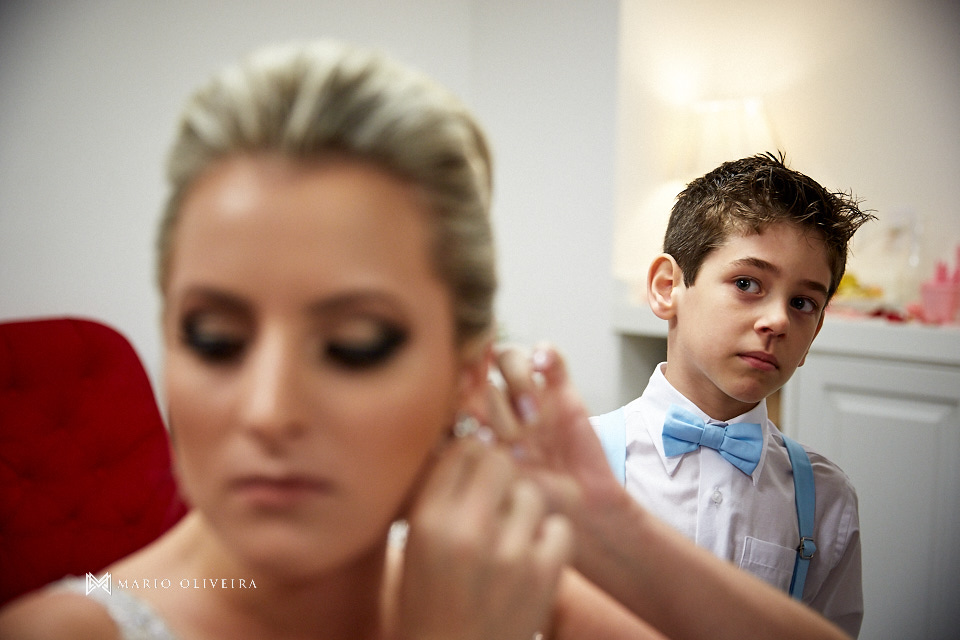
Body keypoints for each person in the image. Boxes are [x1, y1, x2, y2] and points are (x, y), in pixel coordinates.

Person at [0, 40, 853, 640]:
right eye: (214, 337)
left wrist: (602, 519)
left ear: (465, 371)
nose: (266, 412)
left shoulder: (497, 581)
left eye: (357, 343)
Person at [584, 153, 874, 636]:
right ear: (666, 287)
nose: (778, 320)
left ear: (817, 329)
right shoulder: (579, 464)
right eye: (747, 283)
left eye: (802, 303)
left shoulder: (824, 501)